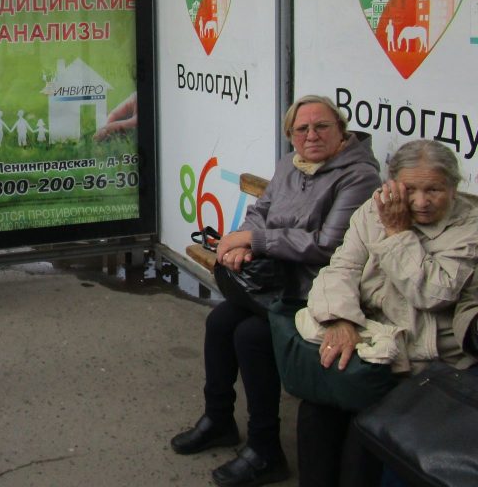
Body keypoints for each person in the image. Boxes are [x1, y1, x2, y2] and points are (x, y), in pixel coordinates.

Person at [170, 94, 381, 487]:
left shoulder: (359, 175)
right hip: (276, 280)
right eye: (302, 129)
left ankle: (266, 450)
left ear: (341, 129)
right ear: (290, 134)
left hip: (322, 288)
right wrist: (242, 243)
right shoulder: (290, 164)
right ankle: (218, 419)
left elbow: (327, 243)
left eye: (322, 126)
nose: (312, 135)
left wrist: (257, 240)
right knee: (219, 322)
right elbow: (259, 212)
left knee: (252, 336)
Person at [296, 139, 478, 487]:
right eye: (409, 189)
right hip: (372, 342)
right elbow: (342, 267)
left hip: (429, 363)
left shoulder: (469, 227)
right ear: (392, 185)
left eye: (434, 190)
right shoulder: (373, 209)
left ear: (453, 188)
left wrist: (397, 232)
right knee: (317, 410)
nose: (421, 202)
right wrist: (341, 319)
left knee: (363, 433)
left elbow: (431, 293)